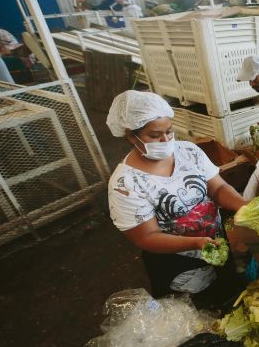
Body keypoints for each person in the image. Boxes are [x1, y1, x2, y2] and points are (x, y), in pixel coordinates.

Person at [106, 90, 249, 308]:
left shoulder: (188, 151)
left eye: (169, 131)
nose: (165, 140)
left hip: (216, 243)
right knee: (202, 308)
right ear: (131, 136)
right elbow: (147, 237)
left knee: (231, 292)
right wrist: (195, 243)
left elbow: (218, 187)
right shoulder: (125, 184)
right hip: (180, 262)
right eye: (155, 135)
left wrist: (244, 206)